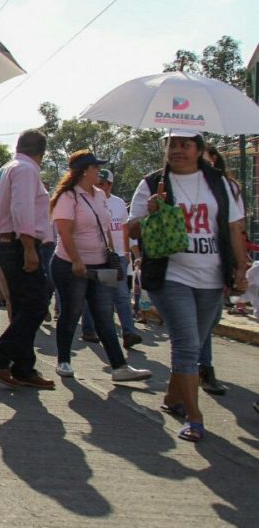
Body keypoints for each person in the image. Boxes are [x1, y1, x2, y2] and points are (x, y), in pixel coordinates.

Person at [128, 129, 247, 442]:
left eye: (184, 145)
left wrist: (241, 269)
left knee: (197, 338)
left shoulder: (222, 185)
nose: (177, 150)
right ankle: (194, 418)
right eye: (171, 145)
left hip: (212, 279)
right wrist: (151, 211)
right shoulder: (153, 183)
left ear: (199, 148)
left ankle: (172, 396)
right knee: (187, 344)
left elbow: (235, 230)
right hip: (170, 276)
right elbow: (131, 228)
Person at [50, 150, 150, 383]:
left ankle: (119, 366)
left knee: (104, 314)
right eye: (96, 168)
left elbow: (105, 228)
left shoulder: (99, 195)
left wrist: (112, 254)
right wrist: (76, 260)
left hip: (100, 264)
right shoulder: (68, 197)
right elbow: (64, 231)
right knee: (71, 311)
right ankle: (63, 360)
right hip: (70, 265)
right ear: (85, 171)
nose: (99, 172)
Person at [0, 130, 56, 389]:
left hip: (6, 241)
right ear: (42, 153)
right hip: (19, 242)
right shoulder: (26, 169)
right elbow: (21, 207)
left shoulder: (6, 169)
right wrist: (28, 246)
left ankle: (24, 366)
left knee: (25, 306)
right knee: (35, 306)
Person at [195, 146, 244, 395]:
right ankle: (202, 367)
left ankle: (193, 362)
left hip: (220, 263)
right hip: (191, 265)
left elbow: (236, 226)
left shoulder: (228, 186)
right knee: (194, 324)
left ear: (213, 159)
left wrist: (239, 266)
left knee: (211, 318)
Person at [79, 169, 144, 350]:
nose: (99, 187)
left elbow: (125, 229)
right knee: (96, 294)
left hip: (117, 257)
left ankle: (128, 332)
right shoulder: (88, 201)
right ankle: (89, 329)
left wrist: (128, 254)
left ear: (110, 185)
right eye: (97, 183)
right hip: (96, 255)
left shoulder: (118, 204)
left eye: (103, 184)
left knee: (122, 296)